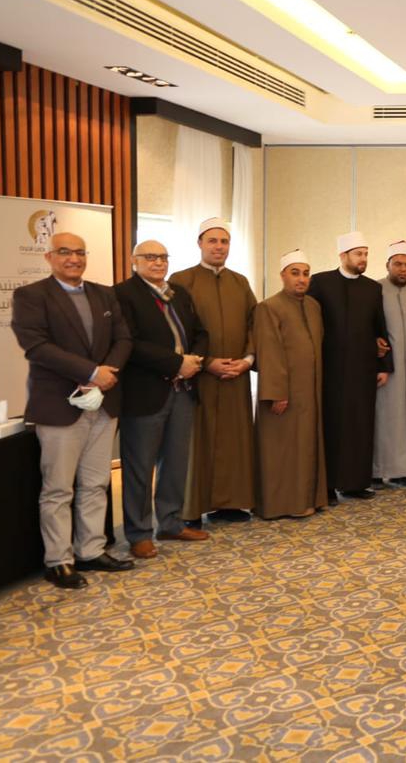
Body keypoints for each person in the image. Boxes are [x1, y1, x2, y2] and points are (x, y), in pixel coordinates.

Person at [12, 233, 133, 589]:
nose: (74, 258)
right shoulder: (31, 295)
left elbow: (123, 339)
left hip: (104, 403)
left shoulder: (104, 294)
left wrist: (105, 374)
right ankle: (59, 561)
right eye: (65, 252)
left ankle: (90, 550)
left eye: (80, 252)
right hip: (59, 405)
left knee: (96, 484)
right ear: (49, 257)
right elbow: (36, 346)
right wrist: (91, 372)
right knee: (58, 489)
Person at [115, 240, 210, 559]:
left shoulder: (178, 293)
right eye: (150, 257)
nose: (158, 262)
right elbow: (130, 343)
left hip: (183, 391)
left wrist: (195, 360)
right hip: (145, 392)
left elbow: (201, 332)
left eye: (163, 257)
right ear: (134, 260)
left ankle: (170, 522)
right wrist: (176, 363)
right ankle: (139, 533)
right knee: (140, 467)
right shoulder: (123, 294)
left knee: (175, 462)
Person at [170, 217, 258, 524]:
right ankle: (191, 509)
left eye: (224, 241)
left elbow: (254, 324)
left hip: (236, 375)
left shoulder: (240, 282)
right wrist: (206, 363)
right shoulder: (182, 280)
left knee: (235, 440)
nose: (219, 247)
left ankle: (231, 503)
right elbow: (176, 329)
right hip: (197, 377)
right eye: (212, 241)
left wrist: (247, 359)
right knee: (196, 442)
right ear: (200, 244)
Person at [308, 231, 393, 501]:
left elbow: (380, 327)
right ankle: (328, 486)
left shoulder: (372, 288)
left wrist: (383, 365)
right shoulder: (320, 282)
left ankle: (356, 483)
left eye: (365, 254)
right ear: (343, 255)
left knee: (361, 424)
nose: (363, 259)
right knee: (332, 424)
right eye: (358, 254)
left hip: (362, 367)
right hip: (330, 368)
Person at [253, 250, 328, 518]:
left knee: (306, 446)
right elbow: (268, 352)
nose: (301, 279)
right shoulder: (269, 307)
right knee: (282, 450)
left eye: (306, 274)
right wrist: (277, 393)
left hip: (310, 392)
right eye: (295, 273)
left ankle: (308, 499)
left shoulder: (313, 306)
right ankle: (280, 505)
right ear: (283, 275)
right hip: (283, 393)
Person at [373, 240, 406, 488]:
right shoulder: (375, 290)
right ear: (388, 265)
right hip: (387, 368)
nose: (403, 269)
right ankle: (379, 470)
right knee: (386, 418)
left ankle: (405, 471)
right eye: (398, 264)